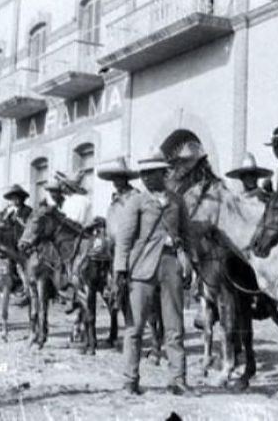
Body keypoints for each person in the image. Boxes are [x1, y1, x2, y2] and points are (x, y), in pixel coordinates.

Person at [115, 150, 199, 396]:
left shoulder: (177, 201)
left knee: (175, 326)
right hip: (140, 269)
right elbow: (124, 239)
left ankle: (178, 379)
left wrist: (189, 260)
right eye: (143, 173)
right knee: (135, 327)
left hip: (170, 265)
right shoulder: (137, 202)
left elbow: (187, 233)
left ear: (164, 173)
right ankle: (130, 380)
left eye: (152, 173)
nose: (146, 178)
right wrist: (120, 269)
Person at [97, 156, 141, 327]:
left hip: (131, 244)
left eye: (119, 178)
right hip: (113, 246)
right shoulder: (114, 198)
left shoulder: (134, 196)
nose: (116, 182)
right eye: (114, 179)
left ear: (126, 178)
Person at [1, 184, 32, 304]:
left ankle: (27, 290)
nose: (15, 200)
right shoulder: (8, 211)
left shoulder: (28, 211)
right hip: (10, 241)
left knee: (21, 266)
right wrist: (6, 216)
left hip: (23, 241)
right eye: (13, 198)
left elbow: (29, 226)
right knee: (7, 264)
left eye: (17, 198)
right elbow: (3, 224)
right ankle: (12, 288)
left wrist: (18, 218)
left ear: (22, 199)